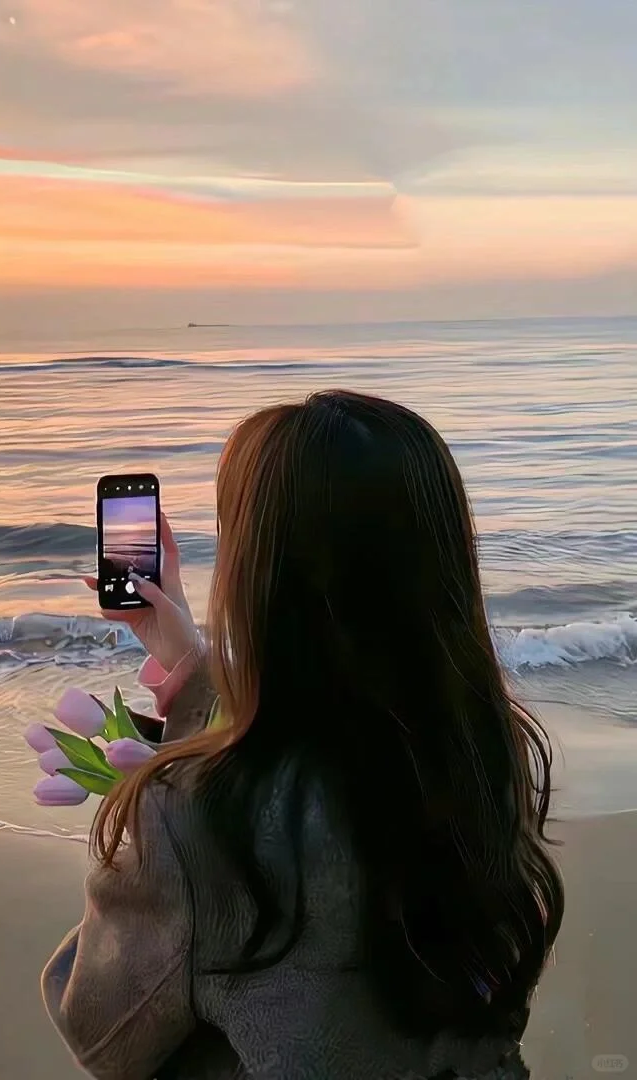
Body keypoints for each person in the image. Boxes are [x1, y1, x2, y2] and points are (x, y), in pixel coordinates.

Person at [41, 391, 564, 1080]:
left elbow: (101, 1033)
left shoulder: (195, 817)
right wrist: (193, 668)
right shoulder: (483, 757)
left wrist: (150, 805)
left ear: (258, 581)